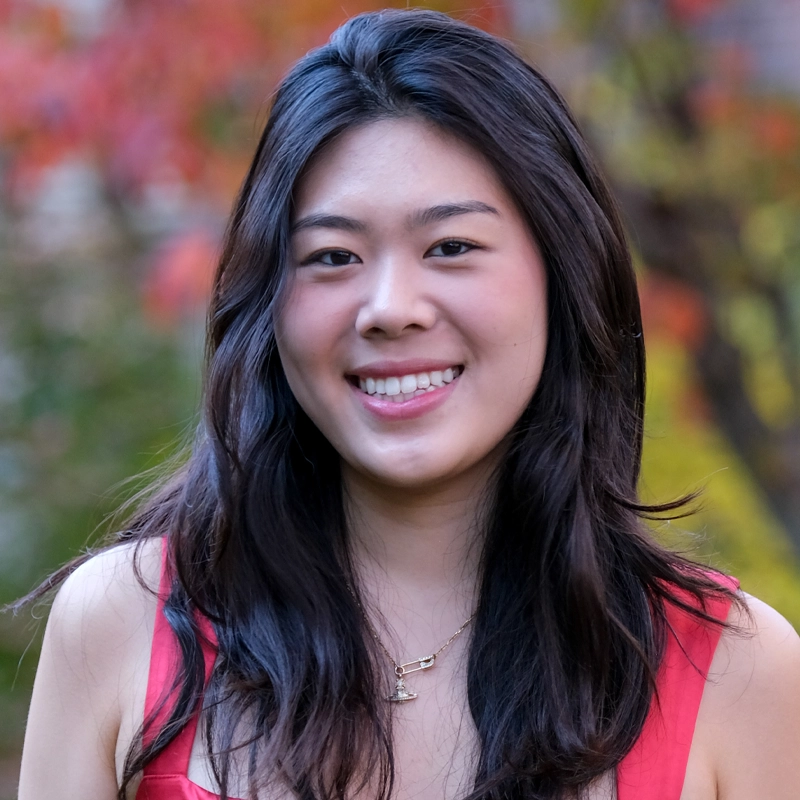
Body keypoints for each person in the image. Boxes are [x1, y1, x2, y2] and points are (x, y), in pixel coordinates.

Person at [16, 8, 800, 800]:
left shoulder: (735, 671)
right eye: (333, 257)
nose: (390, 307)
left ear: (562, 274)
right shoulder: (124, 624)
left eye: (450, 247)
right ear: (269, 303)